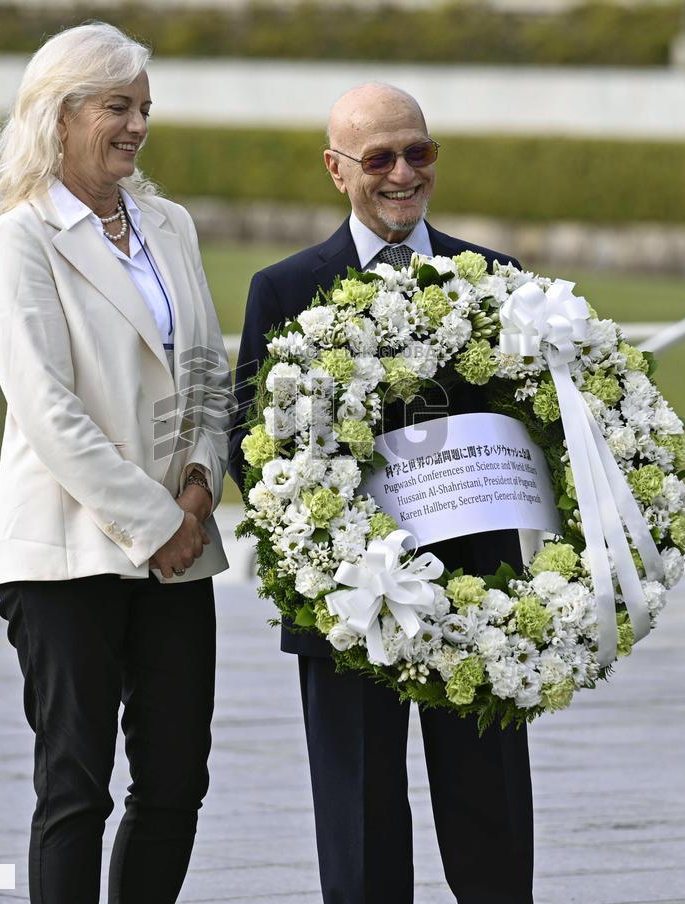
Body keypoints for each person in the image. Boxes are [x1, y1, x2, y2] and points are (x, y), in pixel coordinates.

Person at [229, 83, 534, 904]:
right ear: (337, 171)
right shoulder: (284, 289)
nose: (402, 173)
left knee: (493, 817)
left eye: (419, 152)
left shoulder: (498, 279)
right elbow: (246, 445)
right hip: (347, 601)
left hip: (481, 597)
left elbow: (542, 427)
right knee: (359, 824)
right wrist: (334, 546)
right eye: (378, 158)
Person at [0, 22, 234, 904]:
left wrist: (200, 485)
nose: (136, 126)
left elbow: (205, 368)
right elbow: (49, 411)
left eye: (144, 109)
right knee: (75, 788)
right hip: (65, 555)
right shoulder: (17, 241)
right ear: (60, 114)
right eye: (117, 107)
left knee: (175, 782)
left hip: (180, 548)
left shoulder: (171, 223)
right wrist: (158, 523)